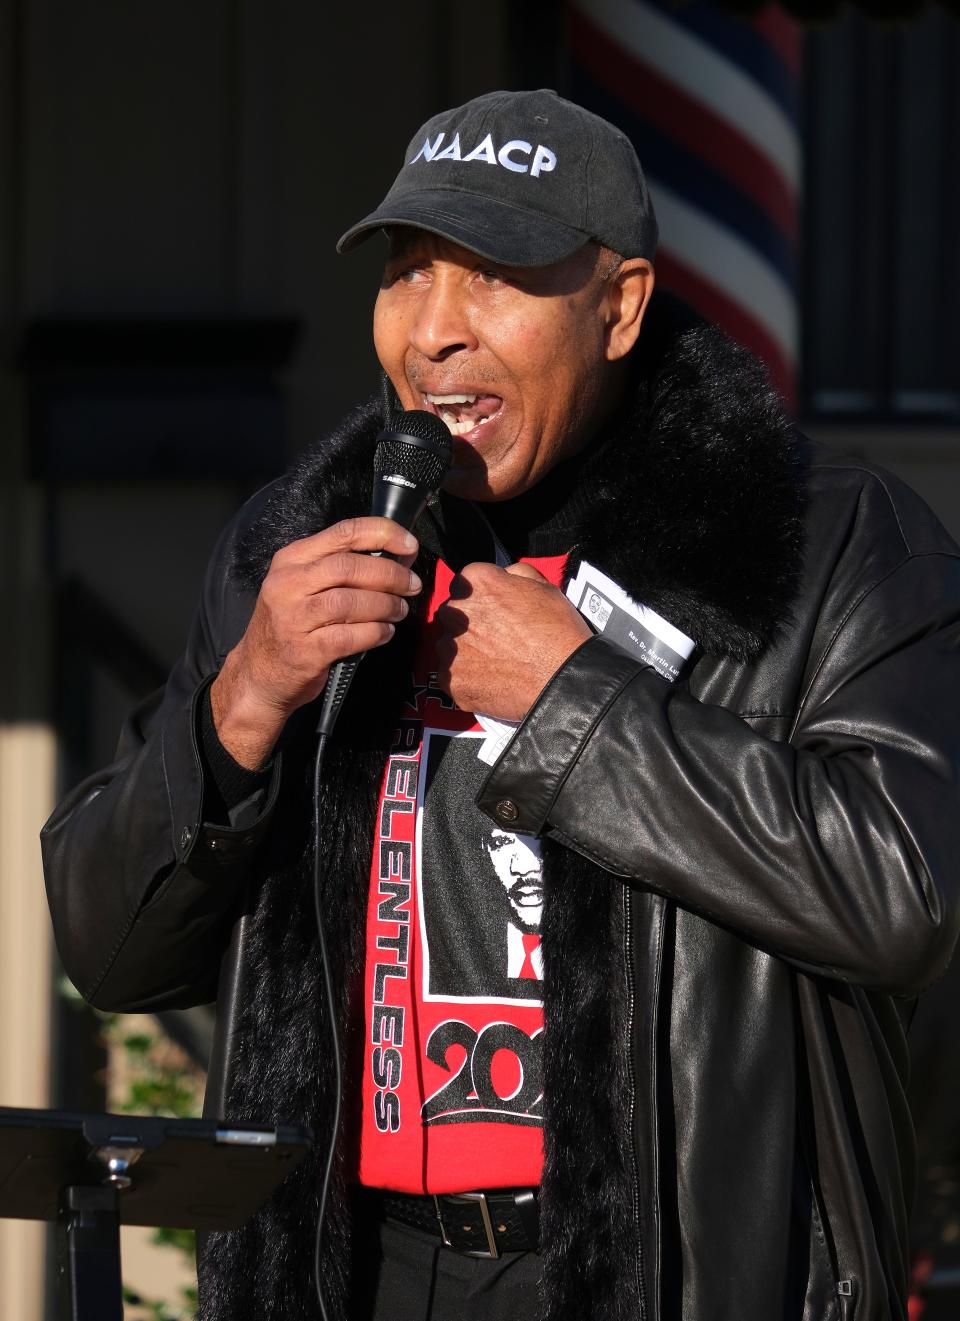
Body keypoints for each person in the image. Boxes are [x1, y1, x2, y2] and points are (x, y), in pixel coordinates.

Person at [41, 88, 960, 1321]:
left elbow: (908, 891)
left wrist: (576, 703)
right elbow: (110, 949)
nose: (436, 332)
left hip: (661, 1275)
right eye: (410, 274)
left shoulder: (828, 543)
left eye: (494, 278)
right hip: (358, 1271)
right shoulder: (301, 544)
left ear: (620, 306)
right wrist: (246, 696)